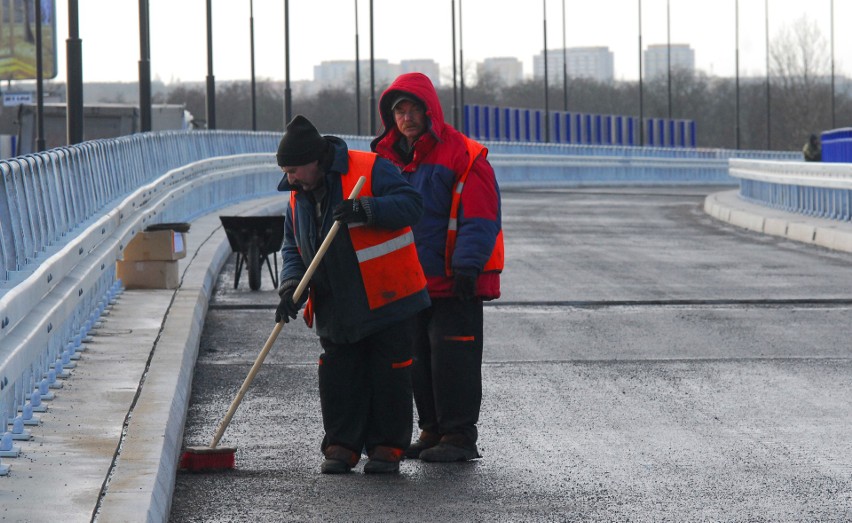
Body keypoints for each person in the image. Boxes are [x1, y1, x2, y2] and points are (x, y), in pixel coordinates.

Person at [275, 115, 430, 474]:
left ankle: (386, 448)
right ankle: (342, 446)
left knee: (388, 373)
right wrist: (290, 289)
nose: (290, 178)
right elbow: (293, 248)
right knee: (338, 375)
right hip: (336, 305)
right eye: (286, 170)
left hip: (387, 297)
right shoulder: (297, 198)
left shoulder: (370, 169)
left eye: (295, 169)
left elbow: (412, 205)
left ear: (316, 160)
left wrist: (366, 209)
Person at [371, 72, 504, 462]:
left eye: (413, 109)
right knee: (418, 360)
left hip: (453, 280)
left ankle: (459, 436)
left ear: (430, 112)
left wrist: (467, 266)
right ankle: (431, 430)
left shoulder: (462, 153)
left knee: (453, 360)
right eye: (399, 111)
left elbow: (480, 217)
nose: (406, 118)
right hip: (408, 282)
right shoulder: (386, 160)